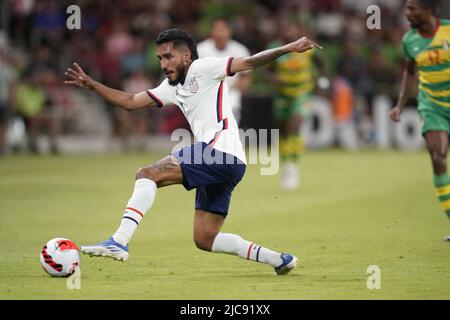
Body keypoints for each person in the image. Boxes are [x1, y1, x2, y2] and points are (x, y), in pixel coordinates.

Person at [65, 29, 322, 274]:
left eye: (168, 56)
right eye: (160, 58)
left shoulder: (205, 68)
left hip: (218, 150)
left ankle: (119, 241)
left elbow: (250, 62)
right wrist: (93, 85)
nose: (163, 64)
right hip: (230, 161)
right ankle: (279, 259)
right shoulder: (170, 86)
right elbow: (131, 102)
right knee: (205, 238)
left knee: (147, 174)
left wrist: (289, 47)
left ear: (186, 56)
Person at [390, 0, 450, 240]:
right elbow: (410, 72)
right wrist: (400, 104)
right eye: (406, 8)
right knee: (437, 158)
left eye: (412, 8)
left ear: (429, 10)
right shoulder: (409, 41)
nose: (407, 13)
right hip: (433, 106)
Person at [267, 22, 326, 190]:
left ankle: (293, 167)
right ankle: (286, 166)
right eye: (285, 28)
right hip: (282, 95)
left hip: (301, 94)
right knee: (284, 132)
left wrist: (321, 82)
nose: (289, 31)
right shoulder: (275, 48)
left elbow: (320, 63)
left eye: (291, 28)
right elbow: (267, 69)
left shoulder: (306, 46)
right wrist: (272, 78)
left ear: (297, 30)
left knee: (294, 126)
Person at [197, 18, 251, 125]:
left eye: (222, 30)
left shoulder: (240, 50)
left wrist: (239, 86)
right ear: (211, 32)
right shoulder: (201, 49)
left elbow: (247, 77)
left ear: (229, 32)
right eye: (216, 30)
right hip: (206, 94)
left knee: (229, 127)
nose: (219, 34)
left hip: (230, 93)